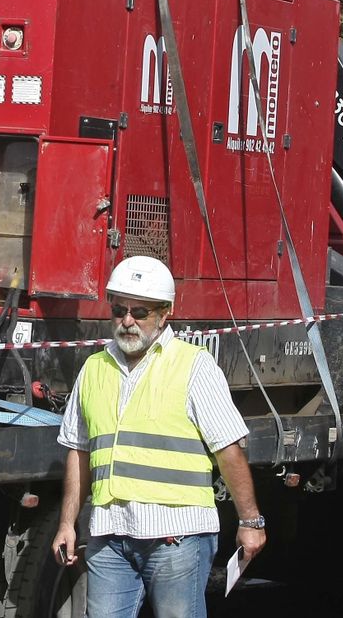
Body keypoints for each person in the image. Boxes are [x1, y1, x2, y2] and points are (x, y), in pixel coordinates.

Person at [50, 256, 266, 618]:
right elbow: (78, 451)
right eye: (119, 310)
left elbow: (228, 450)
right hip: (110, 536)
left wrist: (250, 521)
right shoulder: (93, 369)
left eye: (140, 311)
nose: (128, 320)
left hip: (176, 539)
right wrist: (66, 524)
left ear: (165, 314)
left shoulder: (193, 366)